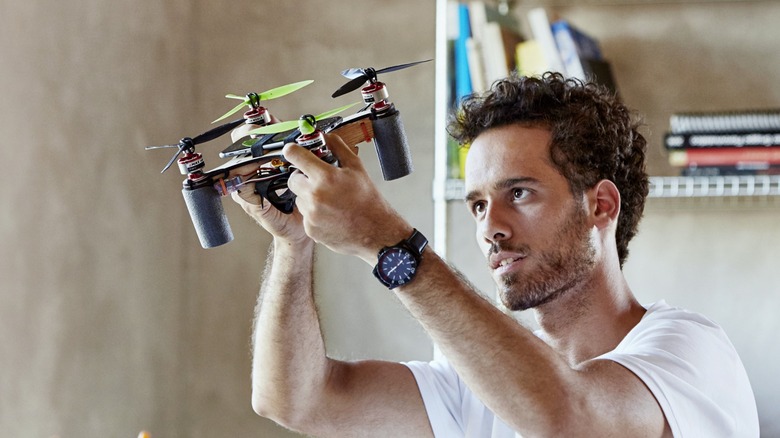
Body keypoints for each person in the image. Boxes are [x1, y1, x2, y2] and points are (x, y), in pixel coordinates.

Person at [230, 72, 759, 437]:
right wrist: (293, 246)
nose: (491, 228)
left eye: (519, 193)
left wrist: (387, 241)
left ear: (600, 205)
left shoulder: (690, 352)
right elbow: (295, 400)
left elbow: (568, 419)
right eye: (478, 204)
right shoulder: (478, 380)